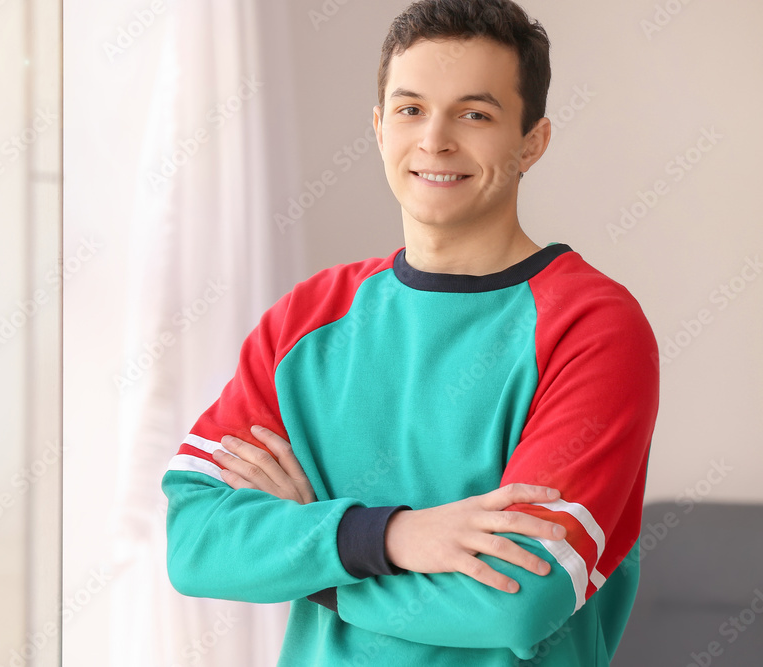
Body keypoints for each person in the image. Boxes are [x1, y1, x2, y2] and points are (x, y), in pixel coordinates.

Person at [161, 0, 659, 664]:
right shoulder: (305, 319)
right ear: (378, 127)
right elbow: (193, 543)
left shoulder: (594, 328)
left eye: (475, 114)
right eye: (410, 109)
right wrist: (391, 536)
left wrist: (312, 561)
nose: (435, 140)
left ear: (531, 142)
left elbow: (517, 600)